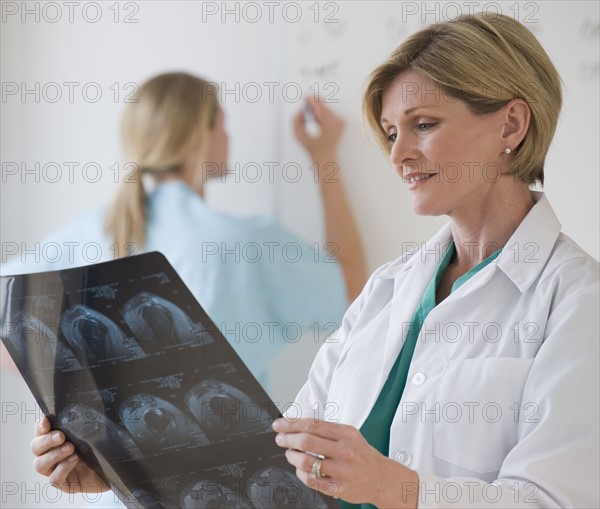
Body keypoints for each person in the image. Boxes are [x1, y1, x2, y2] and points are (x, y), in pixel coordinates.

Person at [31, 12, 600, 509]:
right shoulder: (387, 289)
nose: (399, 154)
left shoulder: (577, 301)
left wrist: (395, 488)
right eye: (391, 132)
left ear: (511, 124)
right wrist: (117, 473)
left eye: (423, 125)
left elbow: (555, 501)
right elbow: (278, 467)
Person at [1, 72, 367, 391]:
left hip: (110, 467)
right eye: (222, 122)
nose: (229, 135)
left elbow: (8, 329)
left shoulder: (85, 232)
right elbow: (353, 289)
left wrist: (78, 392)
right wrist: (325, 157)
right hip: (228, 463)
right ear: (199, 136)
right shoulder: (243, 242)